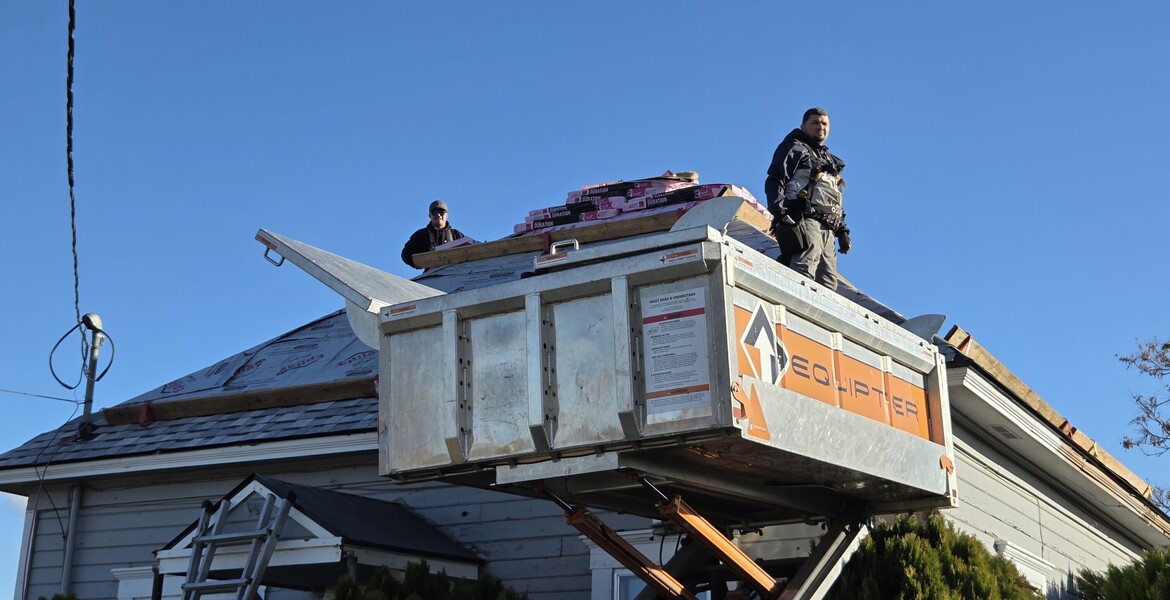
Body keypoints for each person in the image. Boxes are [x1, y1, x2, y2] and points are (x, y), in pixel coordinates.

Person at [764, 107, 851, 291]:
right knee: (804, 270)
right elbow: (776, 179)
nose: (821, 126)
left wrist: (842, 231)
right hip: (805, 220)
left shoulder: (829, 161)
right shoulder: (795, 148)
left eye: (825, 123)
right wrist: (780, 213)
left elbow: (831, 197)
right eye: (815, 122)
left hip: (828, 228)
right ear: (803, 126)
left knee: (828, 284)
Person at [401, 200, 465, 269]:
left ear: (447, 215)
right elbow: (405, 254)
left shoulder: (456, 235)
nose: (438, 215)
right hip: (431, 276)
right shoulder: (421, 235)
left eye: (442, 212)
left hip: (454, 275)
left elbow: (471, 250)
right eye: (434, 212)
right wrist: (421, 264)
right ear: (429, 216)